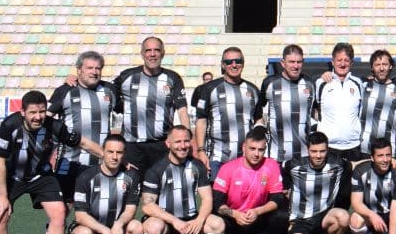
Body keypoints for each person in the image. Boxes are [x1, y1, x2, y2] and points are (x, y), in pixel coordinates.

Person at [0, 90, 101, 234]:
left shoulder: (53, 125)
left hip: (42, 176)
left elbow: (82, 142)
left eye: (42, 111)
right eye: (33, 112)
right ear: (22, 111)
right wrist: (3, 197)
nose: (38, 116)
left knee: (59, 213)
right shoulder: (9, 126)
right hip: (10, 177)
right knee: (0, 216)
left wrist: (107, 155)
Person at [140, 125, 225, 234]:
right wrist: (174, 221)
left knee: (218, 225)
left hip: (190, 221)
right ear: (168, 144)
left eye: (186, 141)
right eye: (178, 141)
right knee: (153, 227)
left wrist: (199, 220)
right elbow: (147, 205)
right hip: (165, 223)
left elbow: (207, 198)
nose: (183, 145)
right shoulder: (156, 169)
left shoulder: (197, 166)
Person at [49, 49, 120, 206]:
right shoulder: (64, 91)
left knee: (99, 206)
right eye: (89, 68)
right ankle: (52, 231)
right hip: (69, 160)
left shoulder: (110, 90)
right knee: (63, 207)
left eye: (98, 68)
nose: (94, 72)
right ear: (79, 70)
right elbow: (46, 119)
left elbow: (127, 111)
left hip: (100, 161)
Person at [69, 133, 143, 234]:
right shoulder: (86, 176)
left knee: (137, 227)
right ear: (102, 152)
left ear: (124, 155)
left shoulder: (132, 176)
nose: (114, 157)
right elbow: (80, 216)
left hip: (116, 230)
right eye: (110, 152)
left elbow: (130, 209)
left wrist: (118, 224)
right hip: (92, 231)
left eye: (119, 152)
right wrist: (105, 230)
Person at [113, 36, 189, 179]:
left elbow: (183, 111)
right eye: (148, 50)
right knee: (131, 191)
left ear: (163, 53)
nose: (152, 54)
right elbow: (102, 90)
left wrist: (186, 140)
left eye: (156, 50)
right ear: (142, 54)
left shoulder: (173, 78)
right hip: (132, 146)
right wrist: (75, 79)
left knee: (162, 191)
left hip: (161, 146)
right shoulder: (126, 76)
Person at [212, 127, 286, 234]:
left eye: (261, 149)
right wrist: (235, 214)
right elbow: (217, 202)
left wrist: (258, 211)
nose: (257, 154)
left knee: (281, 215)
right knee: (216, 217)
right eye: (252, 149)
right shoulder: (228, 168)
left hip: (257, 216)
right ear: (244, 147)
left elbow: (277, 198)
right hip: (233, 217)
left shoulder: (271, 165)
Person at [281, 131, 351, 234]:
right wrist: (286, 187)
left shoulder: (338, 164)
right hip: (300, 220)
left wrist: (389, 160)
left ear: (328, 150)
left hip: (324, 217)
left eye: (322, 151)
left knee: (343, 217)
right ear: (307, 150)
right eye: (314, 151)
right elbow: (280, 168)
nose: (318, 156)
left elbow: (354, 164)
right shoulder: (294, 165)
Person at [191, 46, 261, 173]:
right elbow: (201, 121)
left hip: (246, 159)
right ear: (223, 65)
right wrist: (200, 150)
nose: (234, 65)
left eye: (238, 61)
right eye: (229, 62)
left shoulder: (253, 90)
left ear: (243, 63)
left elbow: (258, 119)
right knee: (216, 193)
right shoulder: (209, 89)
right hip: (218, 157)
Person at [256, 43, 316, 164]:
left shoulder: (310, 83)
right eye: (291, 62)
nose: (295, 66)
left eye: (299, 62)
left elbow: (315, 112)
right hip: (275, 155)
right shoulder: (270, 83)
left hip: (303, 155)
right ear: (283, 63)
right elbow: (258, 110)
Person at [312, 42, 366, 163]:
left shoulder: (358, 83)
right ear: (332, 61)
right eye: (339, 60)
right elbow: (312, 109)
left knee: (353, 182)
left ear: (351, 63)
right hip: (329, 146)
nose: (342, 64)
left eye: (346, 60)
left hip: (353, 146)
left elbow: (361, 111)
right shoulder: (321, 82)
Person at [361, 48, 396, 163]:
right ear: (372, 68)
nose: (381, 68)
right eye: (377, 65)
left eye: (385, 64)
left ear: (391, 66)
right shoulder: (363, 85)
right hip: (364, 148)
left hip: (390, 149)